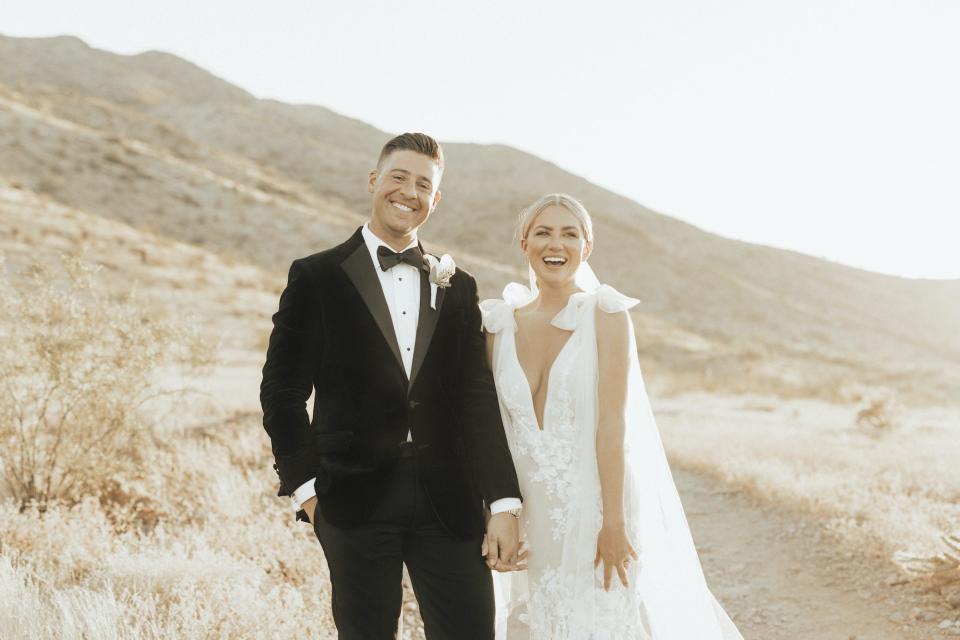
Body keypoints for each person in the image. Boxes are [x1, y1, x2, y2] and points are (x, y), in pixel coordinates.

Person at [260, 132, 523, 639]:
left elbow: (475, 398)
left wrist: (504, 502)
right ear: (374, 180)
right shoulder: (316, 276)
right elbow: (282, 392)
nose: (409, 191)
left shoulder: (458, 285)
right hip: (349, 499)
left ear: (436, 199)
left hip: (450, 499)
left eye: (424, 184)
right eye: (398, 177)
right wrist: (308, 491)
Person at [481, 194, 744, 639]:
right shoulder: (497, 326)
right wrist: (496, 513)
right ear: (524, 244)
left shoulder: (604, 314)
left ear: (587, 248)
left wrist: (614, 523)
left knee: (601, 623)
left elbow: (612, 425)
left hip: (597, 506)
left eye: (570, 234)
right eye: (543, 232)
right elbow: (490, 433)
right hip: (529, 515)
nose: (556, 244)